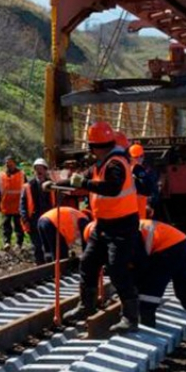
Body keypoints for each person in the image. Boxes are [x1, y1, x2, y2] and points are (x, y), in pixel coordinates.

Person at [45, 121, 140, 332]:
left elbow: (112, 188)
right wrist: (56, 184)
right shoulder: (100, 164)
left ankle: (131, 318)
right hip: (103, 224)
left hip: (122, 226)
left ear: (94, 147)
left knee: (117, 269)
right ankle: (86, 306)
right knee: (88, 262)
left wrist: (83, 184)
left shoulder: (115, 163)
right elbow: (79, 180)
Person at [136, 218, 186, 343]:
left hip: (167, 248)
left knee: (147, 298)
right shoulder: (127, 228)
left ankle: (147, 341)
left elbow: (140, 264)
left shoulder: (124, 236)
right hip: (181, 242)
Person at [20, 158, 55, 264]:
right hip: (34, 220)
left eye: (41, 169)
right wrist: (25, 218)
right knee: (37, 246)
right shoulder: (28, 186)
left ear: (45, 171)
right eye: (37, 169)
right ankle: (40, 266)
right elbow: (22, 205)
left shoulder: (52, 185)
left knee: (49, 245)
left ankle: (49, 266)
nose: (39, 171)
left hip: (48, 219)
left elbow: (57, 203)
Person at [0, 156, 25, 250]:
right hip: (6, 206)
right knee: (6, 226)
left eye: (10, 163)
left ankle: (19, 243)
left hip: (18, 207)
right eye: (7, 163)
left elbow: (26, 191)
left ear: (15, 164)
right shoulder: (1, 176)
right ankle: (7, 242)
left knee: (19, 226)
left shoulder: (21, 175)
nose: (9, 165)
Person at [129, 144, 158, 220]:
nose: (139, 159)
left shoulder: (132, 169)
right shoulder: (137, 169)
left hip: (136, 203)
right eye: (136, 157)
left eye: (141, 156)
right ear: (131, 158)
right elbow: (147, 187)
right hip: (137, 203)